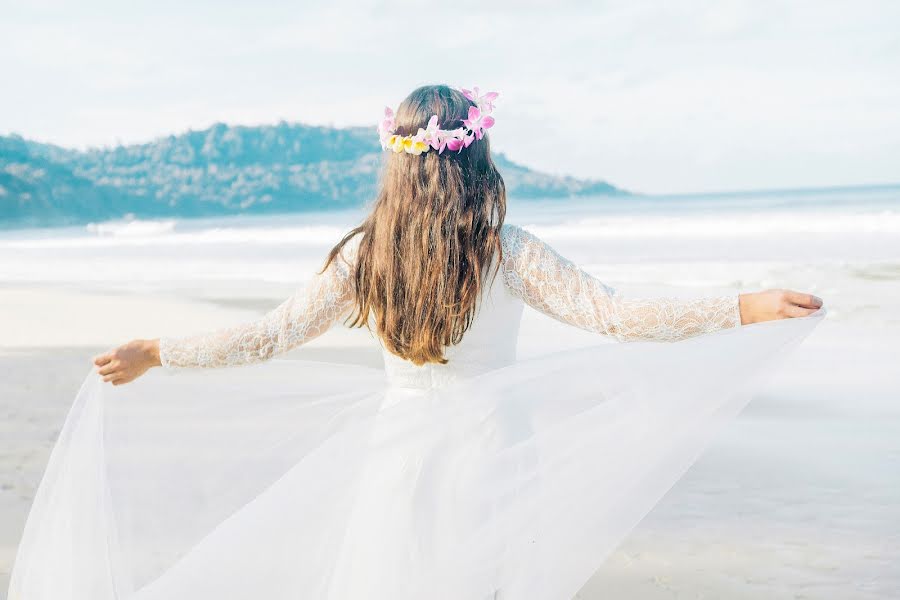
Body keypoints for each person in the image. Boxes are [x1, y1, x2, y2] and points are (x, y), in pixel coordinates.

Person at [9, 85, 824, 600]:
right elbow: (617, 317)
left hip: (398, 455)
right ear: (480, 156)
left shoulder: (369, 255)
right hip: (494, 447)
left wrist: (160, 350)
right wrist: (741, 307)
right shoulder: (506, 250)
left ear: (398, 164)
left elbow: (269, 337)